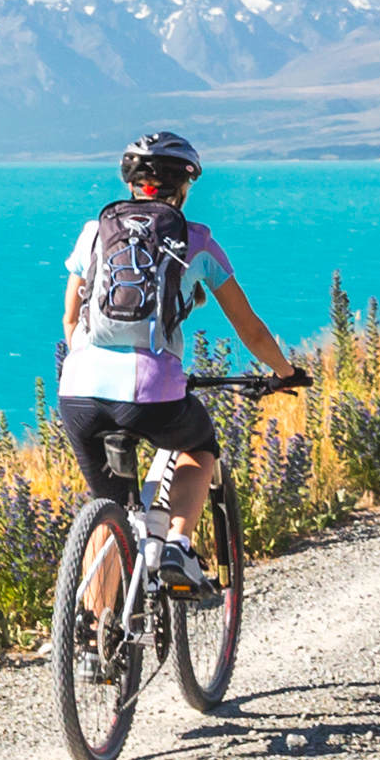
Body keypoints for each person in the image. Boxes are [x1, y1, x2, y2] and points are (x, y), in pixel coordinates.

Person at [57, 128, 307, 607]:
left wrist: (87, 366)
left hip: (79, 391)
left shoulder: (94, 233)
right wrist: (285, 372)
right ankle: (176, 545)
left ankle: (91, 640)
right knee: (198, 446)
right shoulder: (197, 241)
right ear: (184, 187)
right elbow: (251, 330)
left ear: (131, 183)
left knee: (109, 511)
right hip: (151, 392)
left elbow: (70, 318)